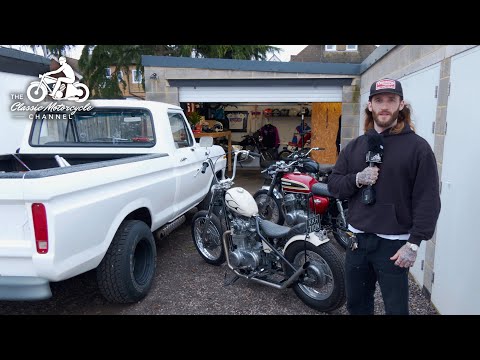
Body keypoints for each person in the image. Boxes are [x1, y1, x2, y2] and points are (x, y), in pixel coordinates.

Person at [328, 78, 441, 315]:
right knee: (357, 305)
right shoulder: (356, 146)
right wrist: (357, 179)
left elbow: (428, 198)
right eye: (379, 100)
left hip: (394, 244)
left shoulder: (417, 148)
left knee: (396, 309)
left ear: (401, 105)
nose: (385, 106)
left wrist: (414, 243)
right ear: (370, 105)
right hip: (357, 241)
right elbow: (335, 185)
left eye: (391, 100)